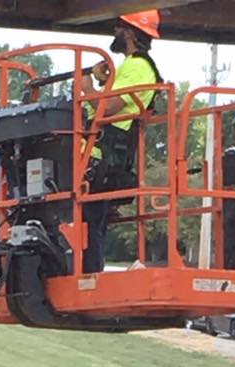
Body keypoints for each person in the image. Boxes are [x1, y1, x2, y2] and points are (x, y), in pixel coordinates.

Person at [80, 10, 162, 273]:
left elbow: (108, 108)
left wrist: (87, 88)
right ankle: (87, 272)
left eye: (117, 27)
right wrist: (105, 81)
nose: (114, 32)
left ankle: (89, 275)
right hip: (100, 152)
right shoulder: (131, 66)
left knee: (89, 220)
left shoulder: (139, 66)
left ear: (129, 31)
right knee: (89, 219)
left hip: (103, 155)